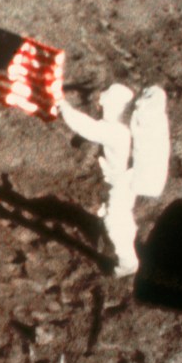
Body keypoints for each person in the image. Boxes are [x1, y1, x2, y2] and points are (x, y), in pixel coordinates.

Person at [57, 83, 140, 277]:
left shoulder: (115, 132)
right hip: (126, 180)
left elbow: (85, 127)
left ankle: (128, 263)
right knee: (120, 213)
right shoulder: (121, 127)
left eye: (105, 105)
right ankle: (124, 237)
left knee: (115, 220)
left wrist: (63, 105)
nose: (101, 107)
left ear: (114, 107)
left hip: (121, 184)